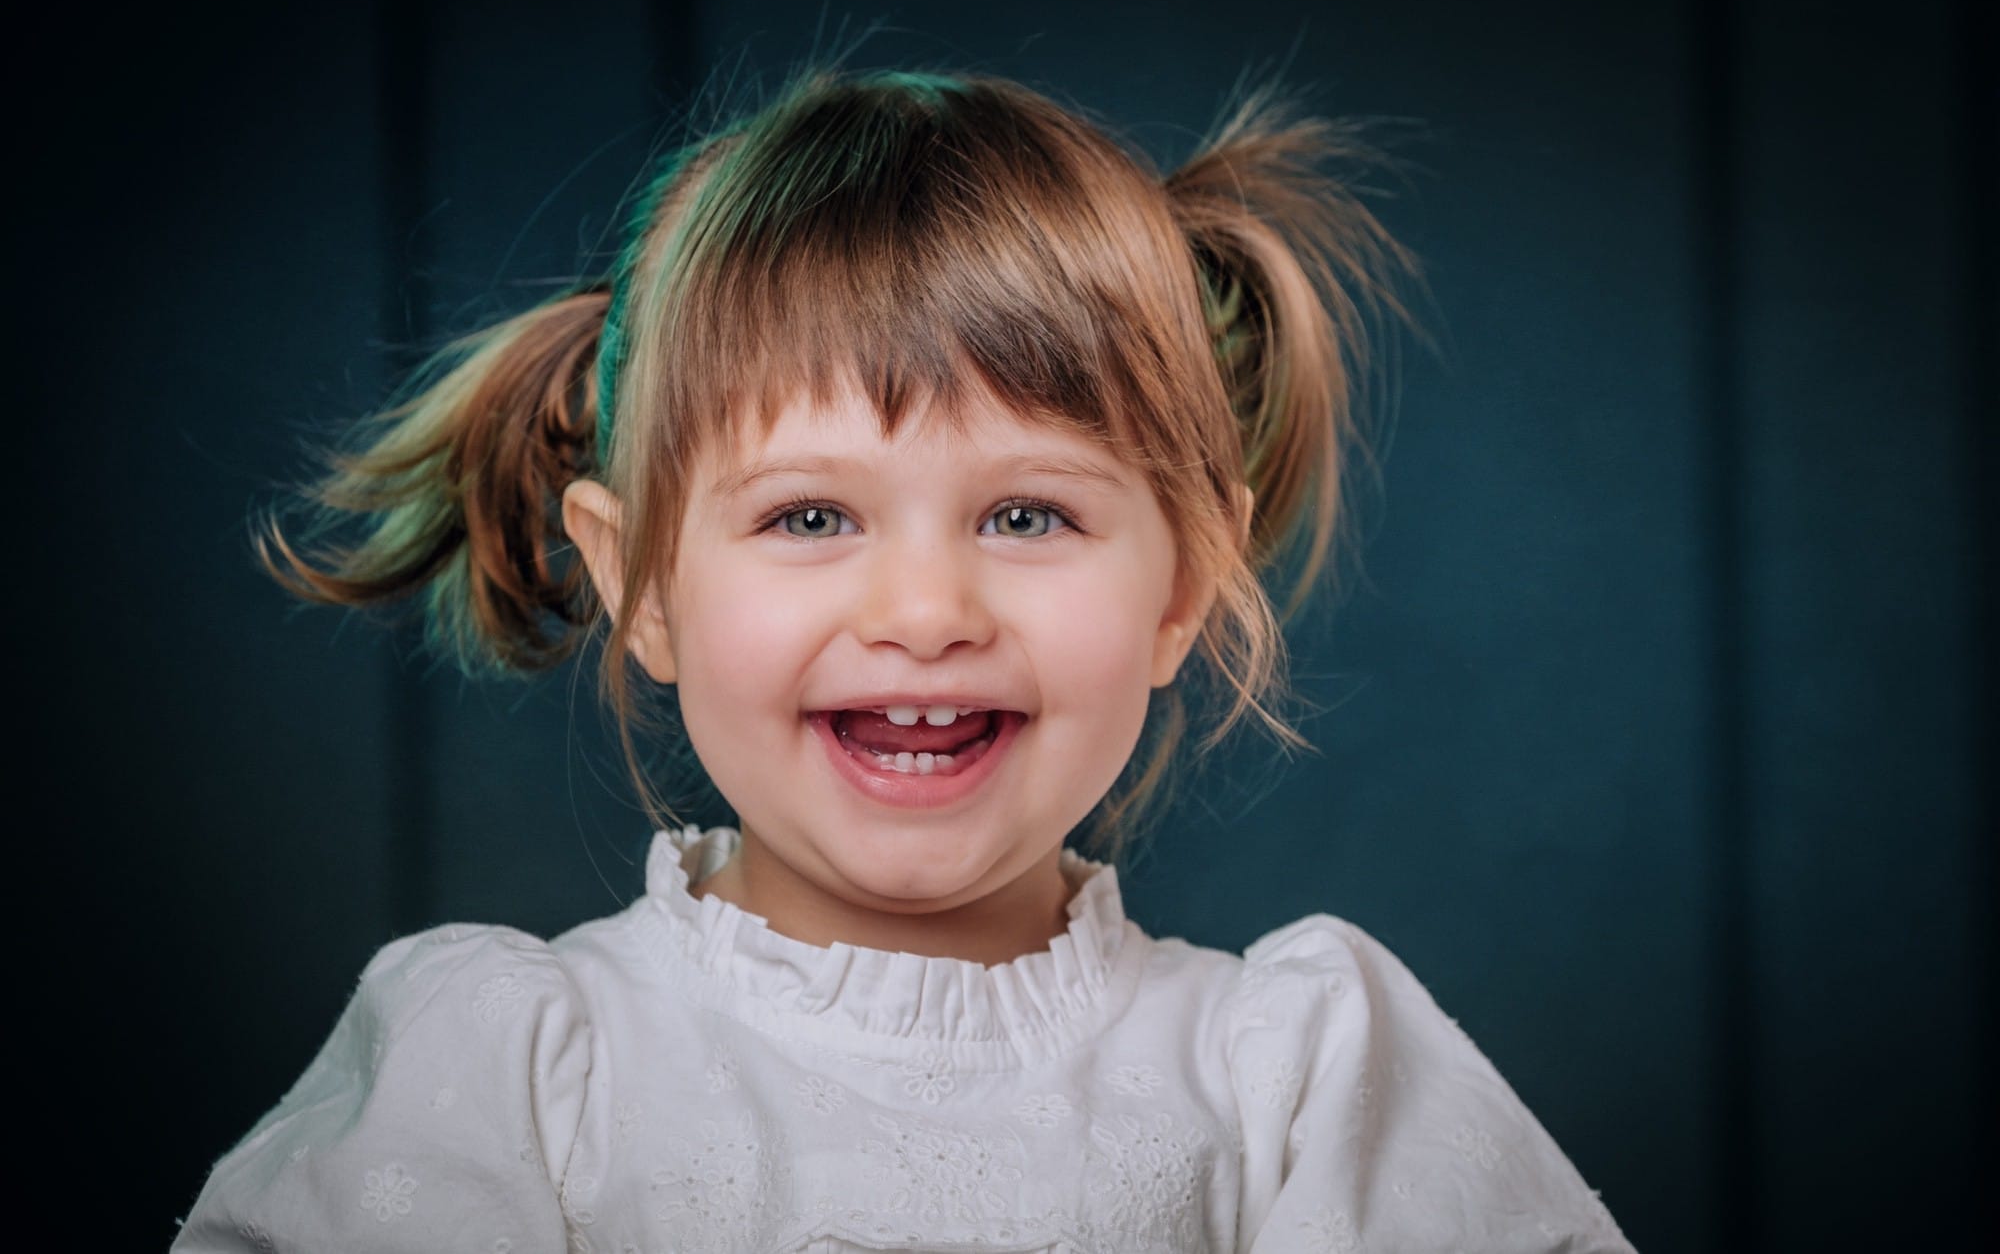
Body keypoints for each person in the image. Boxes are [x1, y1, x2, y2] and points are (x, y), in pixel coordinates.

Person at [171, 64, 1634, 1252]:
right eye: (810, 515)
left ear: (1185, 582)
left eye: (1027, 513)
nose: (926, 611)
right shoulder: (510, 1081)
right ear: (643, 585)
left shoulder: (1297, 1088)